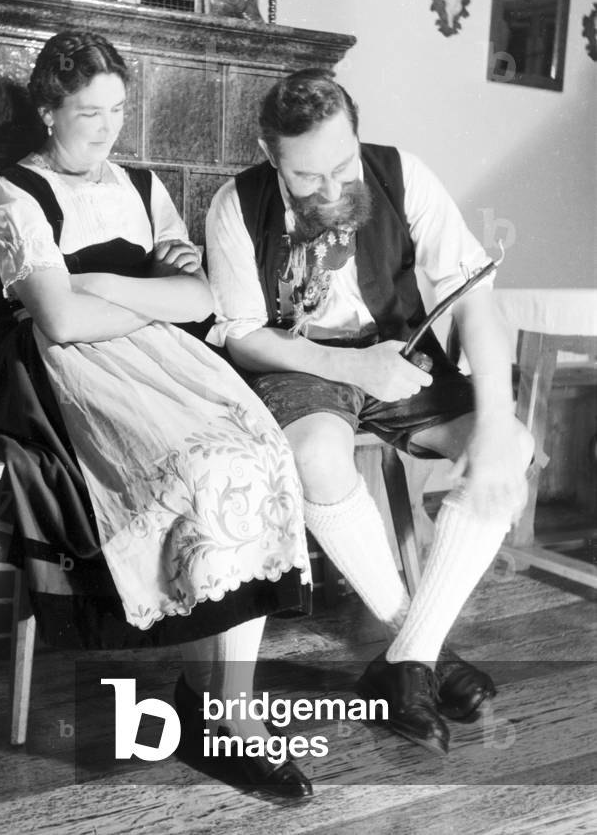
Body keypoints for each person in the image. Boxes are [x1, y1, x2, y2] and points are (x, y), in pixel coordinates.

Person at [0, 32, 314, 797]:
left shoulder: (143, 184)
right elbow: (58, 323)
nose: (106, 128)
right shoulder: (12, 194)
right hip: (67, 373)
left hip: (162, 355)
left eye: (118, 110)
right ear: (47, 110)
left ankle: (220, 704)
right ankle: (222, 713)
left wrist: (97, 280)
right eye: (88, 113)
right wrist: (131, 295)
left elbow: (200, 300)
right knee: (198, 466)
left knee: (259, 452)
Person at [205, 68, 534, 756]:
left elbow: (473, 296)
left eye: (341, 165)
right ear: (271, 157)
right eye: (305, 178)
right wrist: (353, 366)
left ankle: (406, 658)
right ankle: (424, 655)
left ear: (357, 135)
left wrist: (498, 421)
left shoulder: (402, 174)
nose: (329, 189)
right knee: (315, 455)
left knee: (509, 444)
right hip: (306, 367)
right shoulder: (234, 205)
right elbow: (242, 334)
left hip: (404, 358)